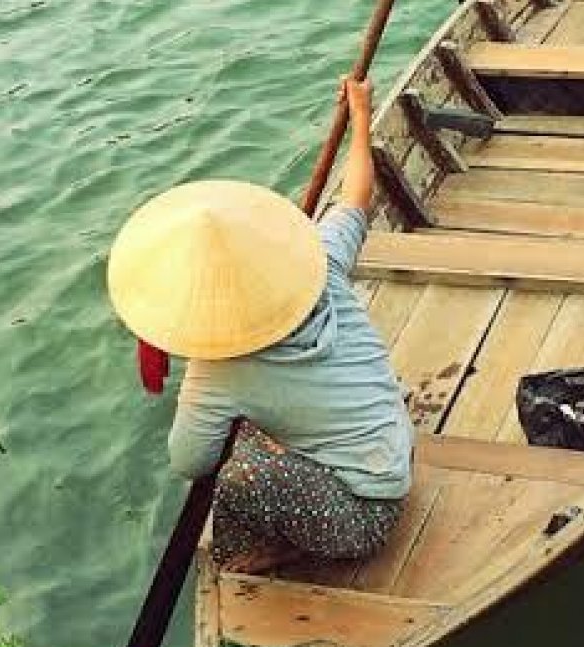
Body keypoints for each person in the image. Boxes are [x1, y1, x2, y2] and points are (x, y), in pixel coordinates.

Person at [107, 78, 412, 573]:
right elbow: (356, 196)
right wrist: (361, 114)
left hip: (363, 519)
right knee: (253, 434)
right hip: (395, 459)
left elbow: (188, 461)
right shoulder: (324, 264)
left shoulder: (217, 375)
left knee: (237, 472)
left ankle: (260, 556)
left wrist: (210, 403)